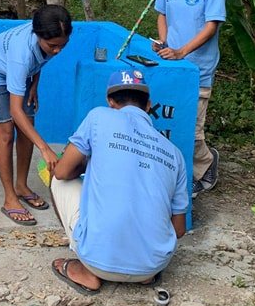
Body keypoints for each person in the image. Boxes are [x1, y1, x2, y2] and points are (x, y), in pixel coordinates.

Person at [49, 70, 188, 294]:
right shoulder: (174, 153)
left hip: (99, 261)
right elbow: (179, 229)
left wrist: (88, 166)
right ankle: (141, 274)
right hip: (152, 266)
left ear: (111, 102)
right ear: (149, 105)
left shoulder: (98, 117)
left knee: (57, 180)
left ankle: (88, 270)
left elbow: (63, 171)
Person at [0, 4, 72, 226]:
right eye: (53, 46)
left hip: (21, 73)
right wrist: (45, 148)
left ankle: (21, 185)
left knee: (27, 128)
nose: (57, 50)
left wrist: (34, 84)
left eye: (62, 46)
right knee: (7, 131)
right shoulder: (21, 53)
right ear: (38, 35)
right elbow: (14, 110)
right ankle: (10, 198)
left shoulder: (51, 39)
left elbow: (39, 61)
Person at [151, 0, 226, 198]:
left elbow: (211, 25)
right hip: (171, 62)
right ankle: (177, 172)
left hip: (197, 67)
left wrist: (182, 51)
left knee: (192, 128)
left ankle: (204, 166)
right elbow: (162, 14)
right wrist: (165, 42)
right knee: (171, 120)